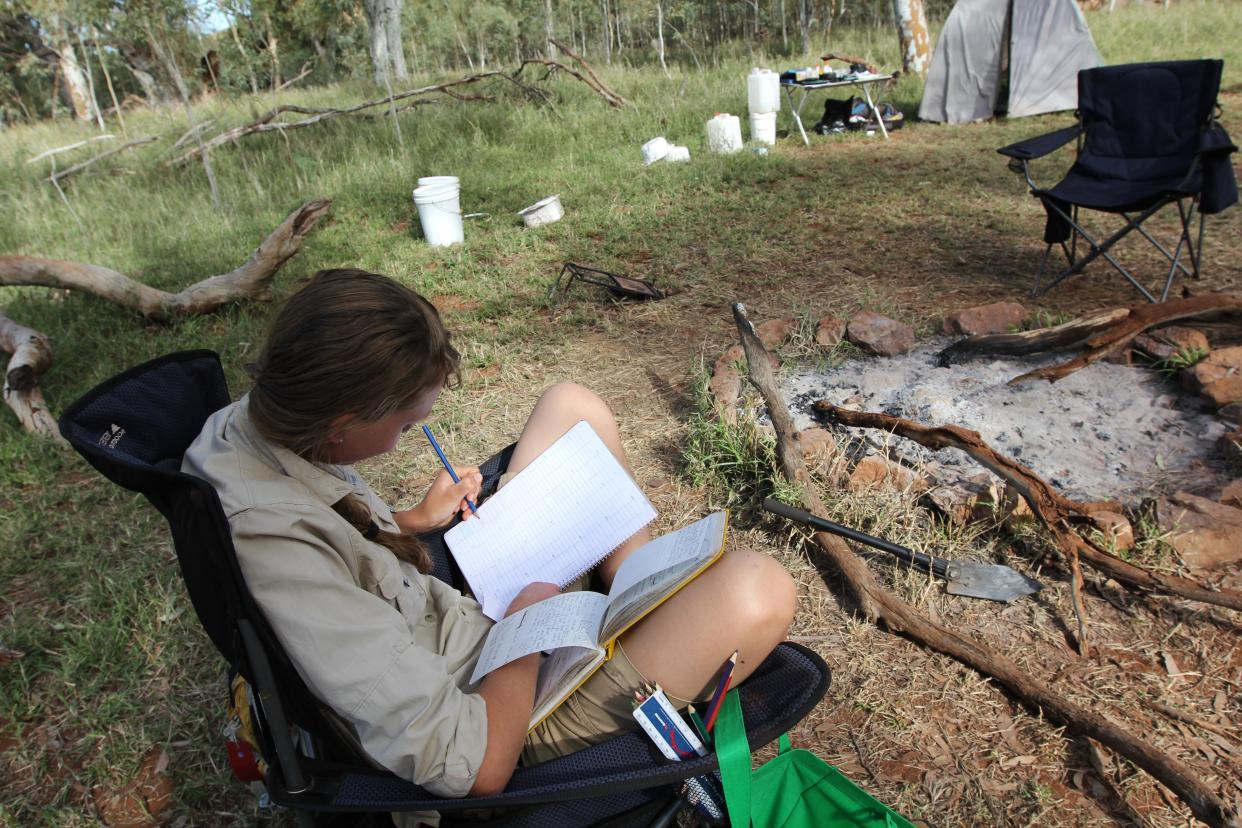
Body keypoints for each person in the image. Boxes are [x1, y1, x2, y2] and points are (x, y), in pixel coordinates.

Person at [182, 268, 796, 803]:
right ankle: (629, 628)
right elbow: (479, 771)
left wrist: (410, 522)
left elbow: (340, 544)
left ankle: (630, 605)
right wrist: (527, 631)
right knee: (758, 587)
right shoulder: (278, 551)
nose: (418, 427)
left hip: (473, 620)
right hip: (503, 716)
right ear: (342, 426)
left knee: (571, 405)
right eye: (407, 421)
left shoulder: (257, 423)